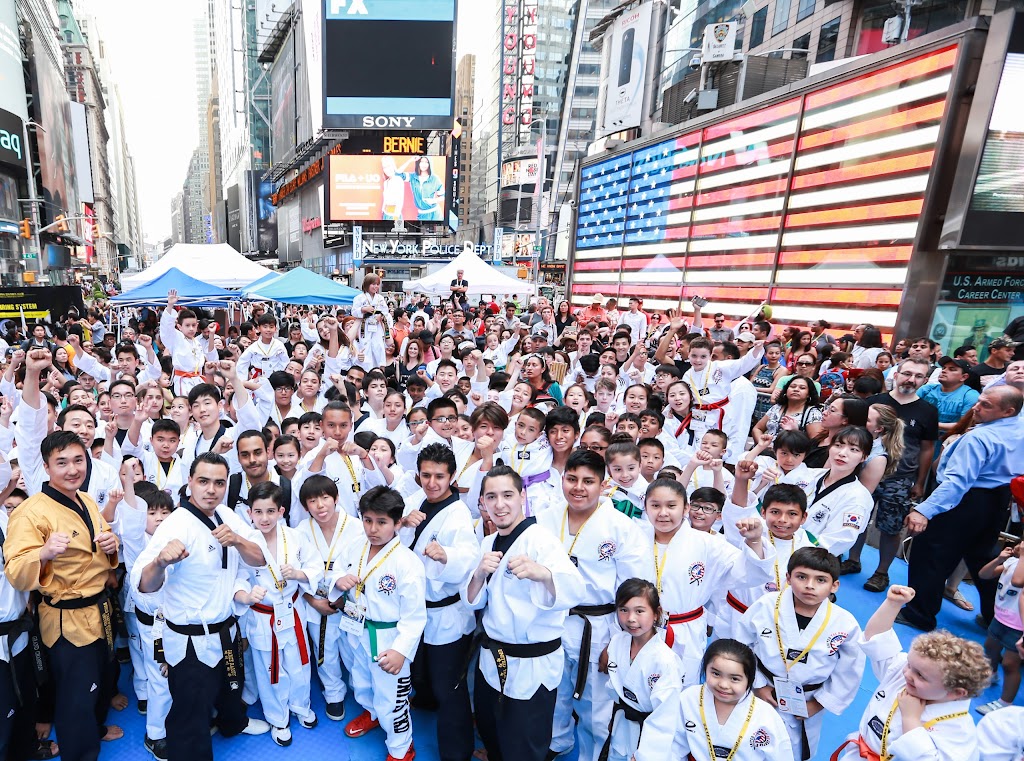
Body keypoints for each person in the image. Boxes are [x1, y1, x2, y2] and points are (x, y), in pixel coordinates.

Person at [4, 430, 120, 761]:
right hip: (66, 617)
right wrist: (42, 553)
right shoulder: (30, 511)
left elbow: (101, 535)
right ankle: (81, 754)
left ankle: (94, 730)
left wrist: (111, 546)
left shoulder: (83, 499)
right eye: (62, 463)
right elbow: (15, 569)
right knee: (76, 697)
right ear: (46, 467)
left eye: (78, 460)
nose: (72, 469)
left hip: (99, 609)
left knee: (97, 681)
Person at [463, 465, 586, 761]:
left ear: (522, 496)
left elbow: (576, 589)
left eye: (507, 495)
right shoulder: (488, 543)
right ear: (483, 502)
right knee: (492, 729)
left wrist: (542, 573)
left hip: (532, 662)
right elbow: (471, 600)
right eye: (491, 497)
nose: (499, 504)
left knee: (525, 744)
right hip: (493, 658)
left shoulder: (540, 539)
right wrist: (479, 574)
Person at [536, 450, 647, 761]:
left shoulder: (620, 526)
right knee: (553, 690)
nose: (578, 487)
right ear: (562, 479)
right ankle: (557, 743)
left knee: (595, 703)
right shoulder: (545, 519)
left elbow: (633, 589)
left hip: (598, 625)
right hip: (553, 618)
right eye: (572, 479)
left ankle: (593, 755)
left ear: (603, 484)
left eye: (588, 481)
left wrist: (619, 639)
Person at [900, 386, 1024, 631]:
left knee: (931, 554)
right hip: (996, 501)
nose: (976, 407)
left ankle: (919, 614)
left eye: (986, 405)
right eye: (979, 401)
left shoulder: (978, 438)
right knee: (983, 557)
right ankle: (997, 619)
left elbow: (958, 483)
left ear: (1008, 410)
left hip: (964, 500)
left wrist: (925, 510)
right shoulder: (1019, 428)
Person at [735, 548, 865, 761]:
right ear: (788, 578)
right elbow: (741, 643)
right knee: (748, 742)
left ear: (835, 586)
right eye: (801, 577)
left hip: (807, 700)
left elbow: (849, 671)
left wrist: (819, 703)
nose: (809, 586)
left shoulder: (845, 623)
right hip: (763, 689)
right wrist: (757, 684)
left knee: (791, 751)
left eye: (821, 580)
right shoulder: (766, 605)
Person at [832, 584, 988, 761]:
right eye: (909, 665)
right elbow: (876, 640)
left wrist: (911, 719)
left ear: (956, 692)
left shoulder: (958, 730)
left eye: (920, 676)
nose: (907, 674)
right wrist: (892, 604)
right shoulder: (905, 674)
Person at [329, 486, 426, 761]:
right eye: (368, 520)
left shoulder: (407, 563)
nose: (373, 528)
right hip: (356, 627)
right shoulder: (355, 546)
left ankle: (401, 748)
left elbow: (415, 615)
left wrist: (400, 651)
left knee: (393, 698)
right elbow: (335, 569)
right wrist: (337, 581)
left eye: (382, 522)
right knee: (360, 681)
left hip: (389, 638)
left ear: (398, 523)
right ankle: (371, 713)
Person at [399, 444, 480, 761]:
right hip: (418, 609)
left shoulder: (458, 514)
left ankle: (457, 753)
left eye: (439, 476)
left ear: (451, 477)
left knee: (451, 690)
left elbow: (470, 559)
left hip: (447, 614)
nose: (432, 482)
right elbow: (393, 535)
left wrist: (448, 556)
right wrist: (404, 524)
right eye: (426, 475)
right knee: (422, 672)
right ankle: (425, 700)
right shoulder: (416, 501)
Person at [242, 481, 322, 746]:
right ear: (249, 514)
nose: (265, 518)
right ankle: (278, 718)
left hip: (293, 610)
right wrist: (246, 594)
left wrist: (300, 574)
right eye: (258, 512)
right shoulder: (245, 544)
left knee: (300, 664)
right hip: (263, 616)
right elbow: (236, 578)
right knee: (270, 671)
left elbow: (315, 566)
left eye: (270, 511)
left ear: (281, 511)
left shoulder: (296, 537)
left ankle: (301, 706)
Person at [599, 578, 682, 761]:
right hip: (623, 725)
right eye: (623, 610)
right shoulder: (618, 643)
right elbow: (618, 692)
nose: (631, 619)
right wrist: (616, 716)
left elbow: (665, 715)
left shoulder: (665, 661)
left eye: (639, 611)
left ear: (656, 614)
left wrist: (647, 754)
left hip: (651, 736)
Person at [674, 639, 793, 759]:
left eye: (735, 679)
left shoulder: (765, 715)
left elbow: (781, 755)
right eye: (716, 674)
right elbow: (674, 747)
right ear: (705, 669)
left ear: (749, 680)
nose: (723, 685)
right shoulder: (689, 699)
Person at [975, 541, 1024, 716]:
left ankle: (1005, 702)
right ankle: (992, 673)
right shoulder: (1011, 563)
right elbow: (984, 574)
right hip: (1001, 617)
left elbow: (1018, 582)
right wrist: (999, 559)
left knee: (1011, 664)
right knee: (990, 647)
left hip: (1019, 625)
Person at [160, 289, 218, 396]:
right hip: (183, 381)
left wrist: (211, 335)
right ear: (179, 327)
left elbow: (211, 357)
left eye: (194, 325)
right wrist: (170, 306)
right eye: (187, 325)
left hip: (198, 379)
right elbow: (166, 328)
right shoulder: (176, 338)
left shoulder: (197, 342)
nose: (191, 329)